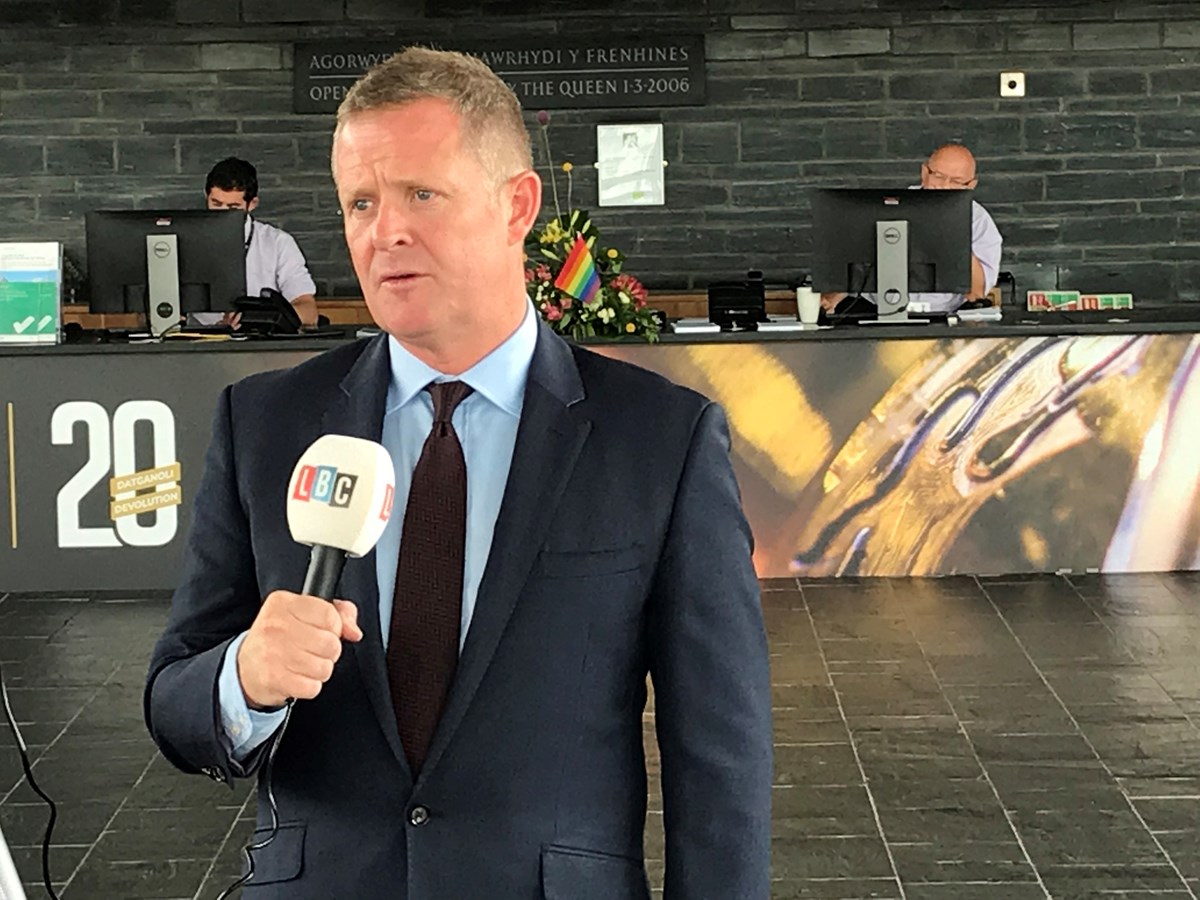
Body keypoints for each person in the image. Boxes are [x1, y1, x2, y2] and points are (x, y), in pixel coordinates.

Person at [146, 47, 772, 900]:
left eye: (420, 195)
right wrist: (244, 679)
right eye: (360, 202)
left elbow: (720, 757)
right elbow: (175, 701)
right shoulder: (265, 424)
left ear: (517, 205)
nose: (384, 231)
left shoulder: (660, 439)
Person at [822, 143, 1003, 316]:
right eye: (938, 176)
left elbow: (976, 293)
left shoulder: (978, 221)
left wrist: (952, 230)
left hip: (943, 316)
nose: (945, 186)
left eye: (957, 182)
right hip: (877, 311)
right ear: (924, 173)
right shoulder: (892, 206)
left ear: (971, 186)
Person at [204, 156, 319, 327]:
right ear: (206, 197)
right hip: (195, 344)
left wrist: (257, 318)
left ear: (252, 204)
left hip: (258, 342)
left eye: (233, 208)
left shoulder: (278, 243)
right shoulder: (182, 239)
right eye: (216, 204)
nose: (223, 214)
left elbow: (309, 312)